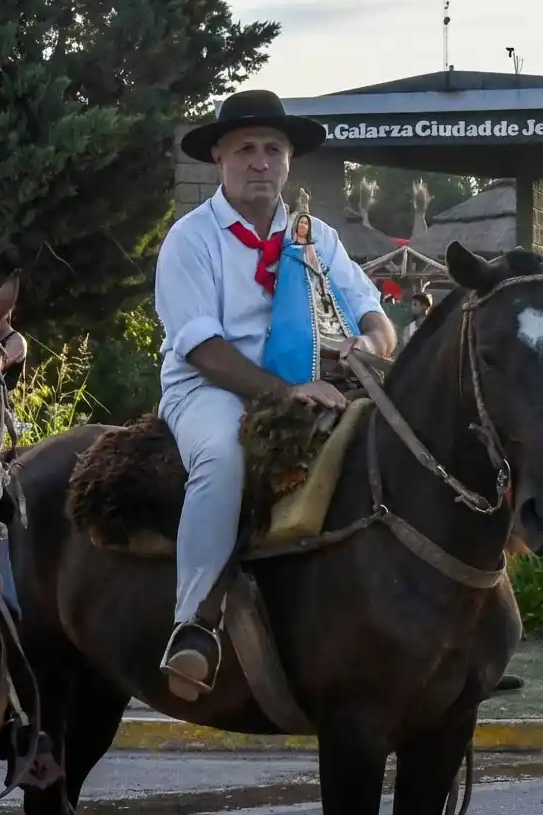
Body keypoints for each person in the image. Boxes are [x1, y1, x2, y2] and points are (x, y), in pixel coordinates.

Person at [154, 88, 397, 701]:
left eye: (273, 149)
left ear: (289, 160)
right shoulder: (190, 239)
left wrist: (372, 344)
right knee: (222, 457)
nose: (260, 161)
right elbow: (203, 350)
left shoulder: (319, 238)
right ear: (220, 158)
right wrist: (287, 393)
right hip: (211, 388)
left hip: (317, 385)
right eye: (245, 149)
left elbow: (374, 315)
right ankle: (195, 622)